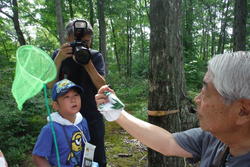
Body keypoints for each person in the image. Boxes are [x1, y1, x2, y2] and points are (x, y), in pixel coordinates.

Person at [95, 51, 250, 166]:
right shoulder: (217, 138)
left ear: (243, 111)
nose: (196, 99)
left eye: (206, 93)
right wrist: (118, 112)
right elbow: (168, 142)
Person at [47, 19, 107, 166]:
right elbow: (49, 85)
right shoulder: (58, 55)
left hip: (92, 116)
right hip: (66, 119)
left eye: (86, 42)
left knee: (94, 155)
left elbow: (102, 86)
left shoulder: (95, 56)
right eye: (78, 41)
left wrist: (87, 63)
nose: (82, 45)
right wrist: (59, 59)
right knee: (70, 155)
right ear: (68, 39)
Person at [32, 79, 90, 166]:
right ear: (56, 105)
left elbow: (87, 146)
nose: (73, 99)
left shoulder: (82, 121)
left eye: (76, 95)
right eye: (66, 97)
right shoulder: (50, 129)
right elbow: (38, 156)